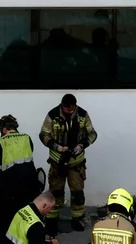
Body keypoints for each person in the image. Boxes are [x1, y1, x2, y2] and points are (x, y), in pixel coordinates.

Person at [39, 93, 97, 233]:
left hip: (76, 162)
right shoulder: (52, 115)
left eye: (71, 110)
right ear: (62, 106)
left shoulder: (83, 115)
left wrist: (81, 146)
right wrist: (57, 147)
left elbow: (92, 134)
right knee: (55, 192)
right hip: (57, 161)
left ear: (75, 106)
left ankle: (77, 219)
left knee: (77, 192)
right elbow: (43, 135)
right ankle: (52, 221)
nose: (69, 112)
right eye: (66, 110)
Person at [0, 114, 40, 240]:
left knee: (6, 211)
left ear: (4, 129)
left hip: (11, 186)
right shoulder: (27, 138)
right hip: (32, 183)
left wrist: (3, 188)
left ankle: (4, 235)